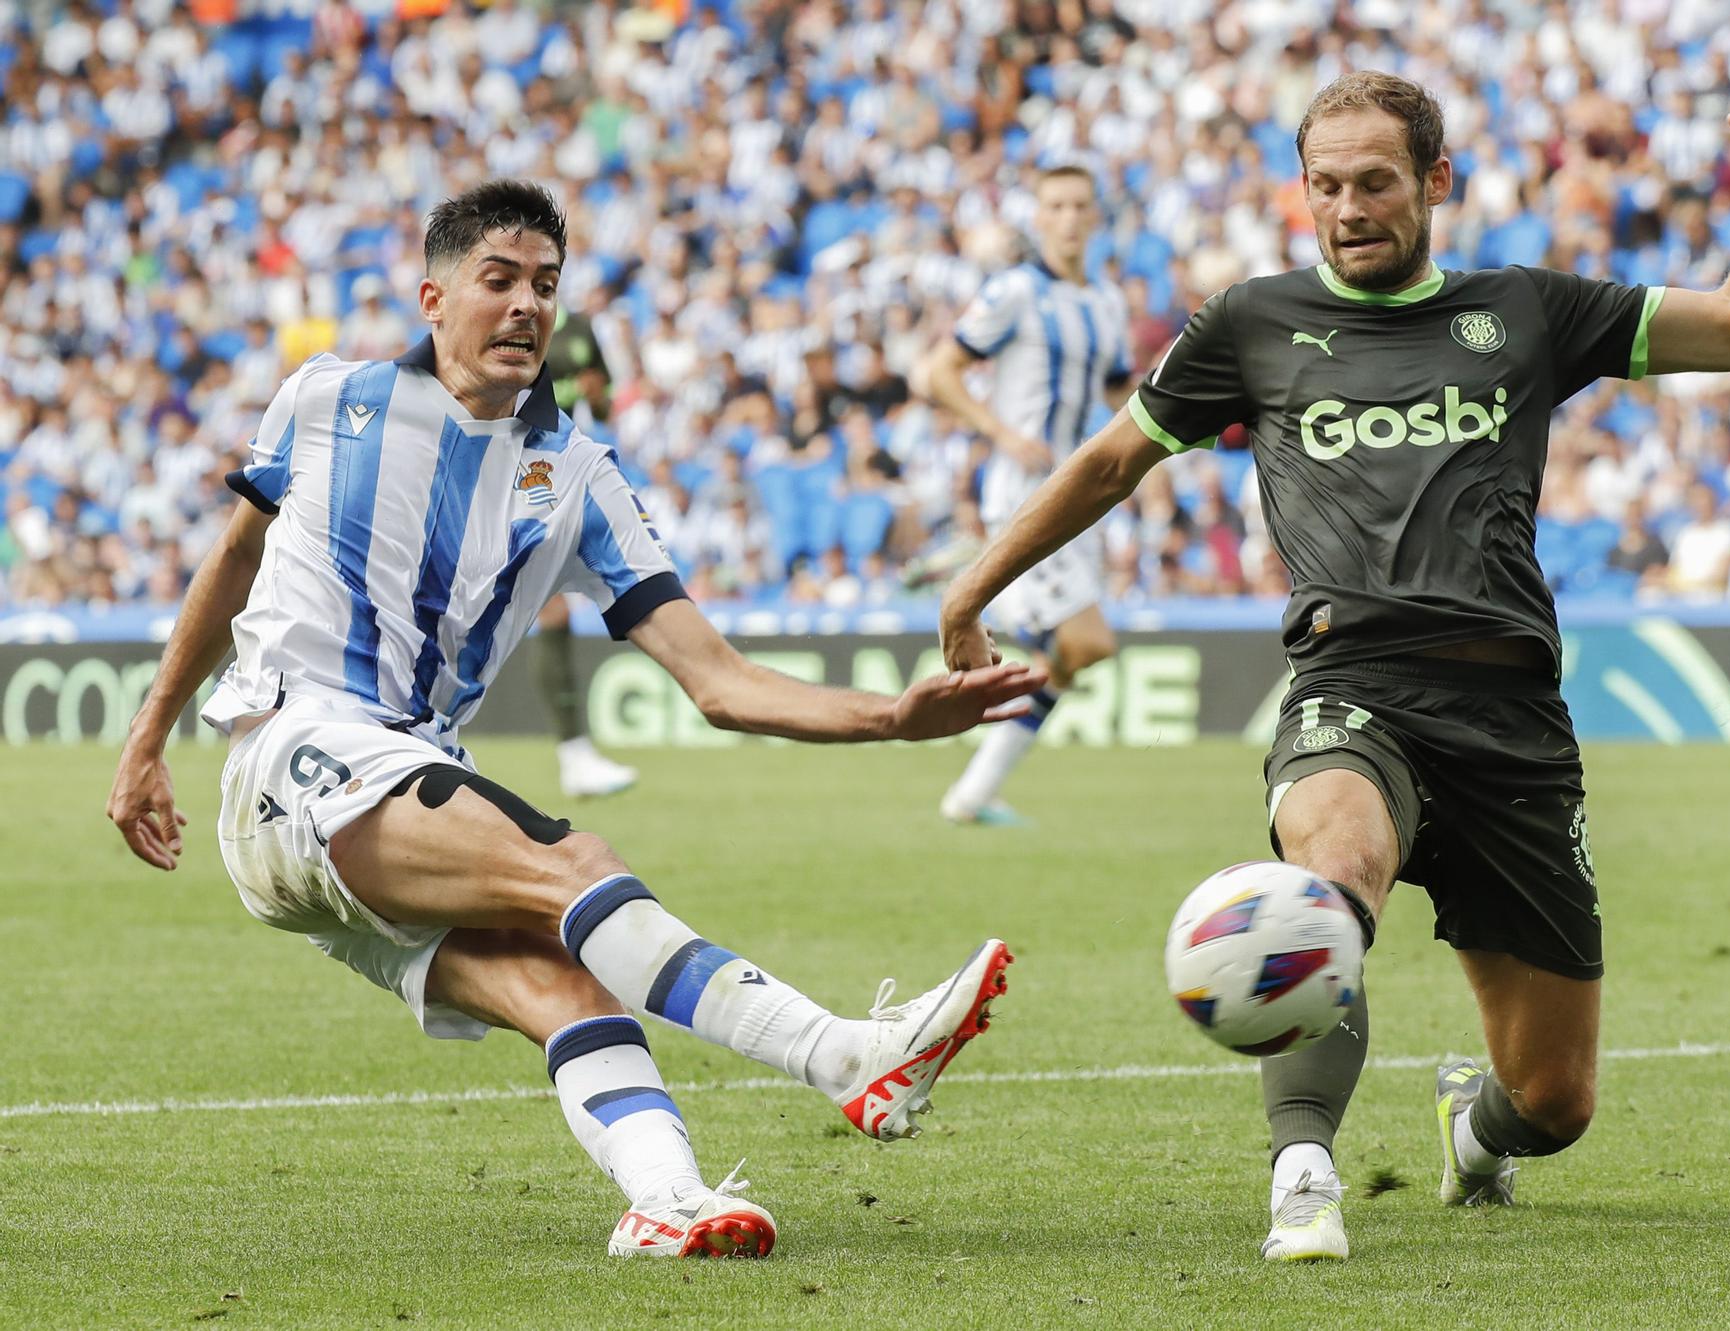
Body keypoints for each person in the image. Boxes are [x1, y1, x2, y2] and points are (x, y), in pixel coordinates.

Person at [940, 74, 1730, 1261]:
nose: (1348, 206)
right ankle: (1301, 1172)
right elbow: (1108, 464)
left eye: (1374, 181)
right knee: (1333, 874)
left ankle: (1473, 1130)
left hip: (1512, 721)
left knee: (1554, 1102)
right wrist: (971, 586)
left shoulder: (1523, 309)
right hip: (1349, 688)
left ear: (1433, 182)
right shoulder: (1249, 323)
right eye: (1324, 185)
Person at [105, 181, 1044, 1260]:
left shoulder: (580, 473)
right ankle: (838, 1052)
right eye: (497, 280)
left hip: (379, 792)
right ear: (433, 296)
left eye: (544, 286)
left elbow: (719, 679)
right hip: (297, 753)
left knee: (568, 981)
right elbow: (235, 557)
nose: (524, 307)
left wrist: (889, 717)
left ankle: (665, 1199)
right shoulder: (326, 399)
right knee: (574, 861)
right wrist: (145, 740)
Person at [914, 165, 1136, 826]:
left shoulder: (1107, 302)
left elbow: (1119, 392)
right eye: (1056, 206)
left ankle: (973, 793)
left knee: (1063, 659)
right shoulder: (1013, 291)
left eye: (1079, 205)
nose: (1068, 217)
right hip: (1022, 493)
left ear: (1094, 218)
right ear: (1039, 218)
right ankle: (979, 583)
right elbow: (940, 371)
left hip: (1081, 495)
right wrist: (1000, 431)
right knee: (1088, 642)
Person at [536, 300, 637, 798]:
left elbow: (603, 404)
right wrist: (577, 389)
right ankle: (573, 754)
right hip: (512, 469)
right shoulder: (511, 317)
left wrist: (597, 397)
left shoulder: (580, 327)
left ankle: (574, 753)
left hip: (556, 475)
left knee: (552, 612)